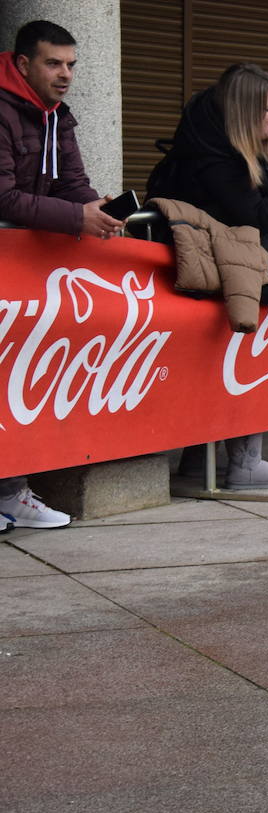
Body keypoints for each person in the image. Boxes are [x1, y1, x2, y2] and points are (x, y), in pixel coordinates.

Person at [149, 62, 268, 490]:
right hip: (223, 269)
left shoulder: (250, 119)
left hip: (237, 264)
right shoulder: (213, 159)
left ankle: (200, 462)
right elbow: (255, 218)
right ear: (243, 114)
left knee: (227, 362)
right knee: (241, 362)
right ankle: (243, 462)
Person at [0, 19, 127, 529]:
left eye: (72, 64)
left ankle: (11, 493)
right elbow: (3, 197)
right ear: (24, 63)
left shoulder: (58, 115)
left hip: (25, 271)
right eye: (54, 63)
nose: (66, 74)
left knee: (16, 384)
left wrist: (98, 209)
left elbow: (71, 182)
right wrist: (77, 218)